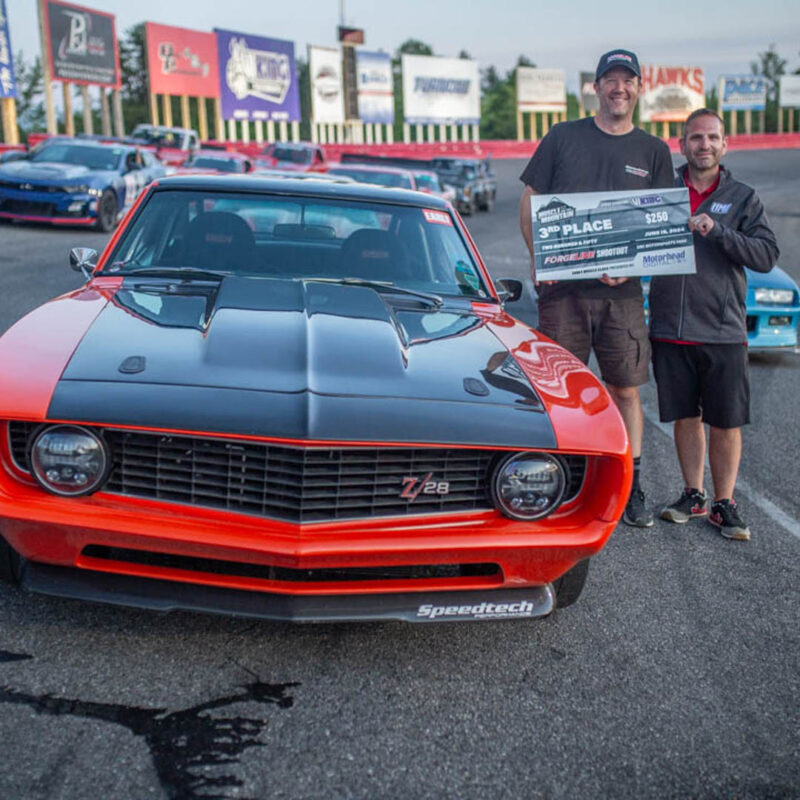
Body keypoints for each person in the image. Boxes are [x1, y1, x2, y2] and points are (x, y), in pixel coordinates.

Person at [519, 49, 674, 527]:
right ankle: (559, 482)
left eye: (628, 80)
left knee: (625, 391)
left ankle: (631, 486)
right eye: (611, 79)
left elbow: (662, 220)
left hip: (621, 298)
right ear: (597, 86)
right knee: (560, 392)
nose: (619, 88)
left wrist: (635, 268)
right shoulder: (563, 137)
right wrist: (537, 258)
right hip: (563, 294)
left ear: (639, 88)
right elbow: (530, 201)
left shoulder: (653, 150)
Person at [649, 109, 778, 541]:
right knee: (685, 416)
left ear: (725, 144)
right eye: (695, 138)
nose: (703, 145)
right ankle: (693, 494)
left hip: (722, 330)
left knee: (725, 421)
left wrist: (718, 231)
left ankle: (725, 503)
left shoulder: (742, 197)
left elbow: (765, 255)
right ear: (682, 145)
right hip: (670, 327)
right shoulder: (663, 191)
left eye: (712, 138)